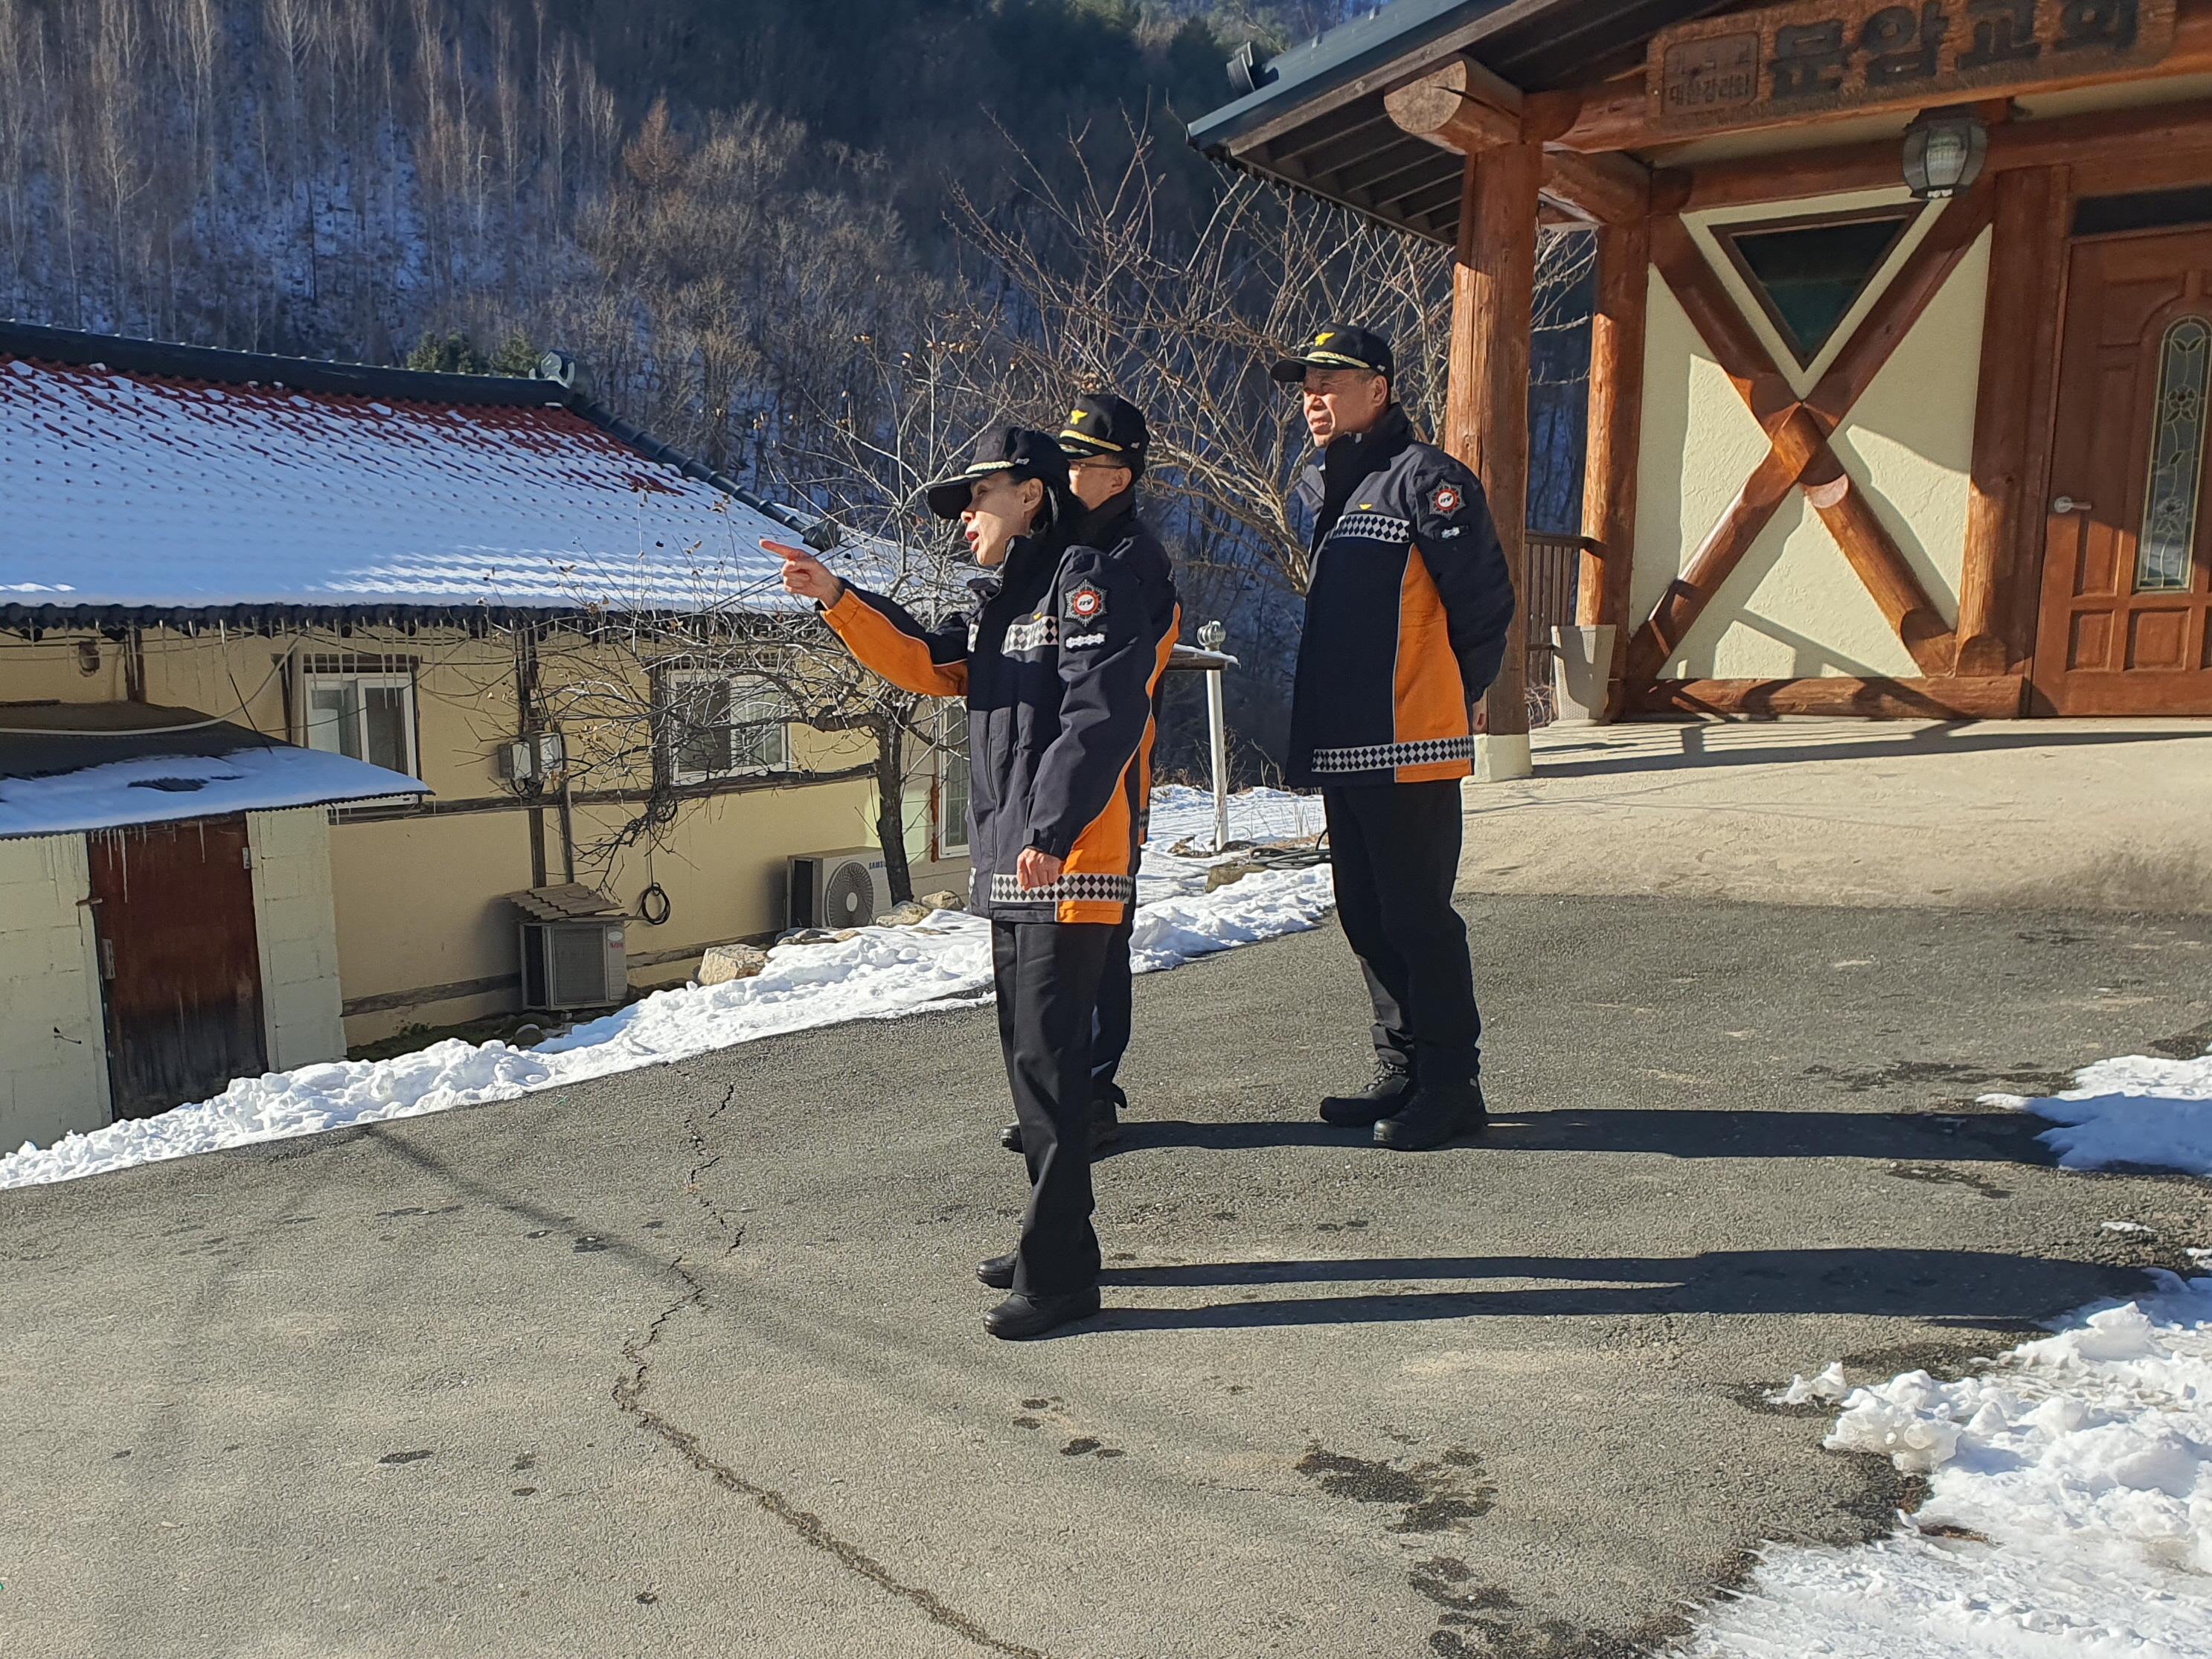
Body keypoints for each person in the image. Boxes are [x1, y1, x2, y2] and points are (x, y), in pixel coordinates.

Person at [769, 424, 1179, 1340]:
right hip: (1020, 866)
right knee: (1033, 1072)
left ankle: (1061, 1274)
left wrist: (1052, 829)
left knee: (1053, 1073)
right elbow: (923, 659)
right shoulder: (1003, 603)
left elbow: (1104, 713)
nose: (963, 520)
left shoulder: (1085, 580)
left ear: (1030, 495)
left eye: (977, 499)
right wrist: (836, 597)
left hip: (1068, 865)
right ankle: (1052, 1241)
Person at [1272, 323, 1515, 1152]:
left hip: (1411, 742)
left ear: (1378, 390)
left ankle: (1451, 1084)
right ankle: (1402, 1067)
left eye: (1329, 383)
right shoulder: (1330, 488)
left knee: (1417, 918)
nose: (1312, 398)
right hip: (1347, 745)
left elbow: (1482, 603)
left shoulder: (1428, 480)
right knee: (1365, 915)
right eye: (1306, 386)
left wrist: (1449, 694)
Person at [997, 392, 1179, 1159]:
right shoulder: (1052, 553)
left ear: (1120, 477)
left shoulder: (1134, 563)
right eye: (1063, 459)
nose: (1066, 473)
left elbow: (1115, 695)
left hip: (1109, 785)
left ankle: (1093, 1093)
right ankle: (1057, 1098)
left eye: (1081, 462)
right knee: (1050, 949)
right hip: (1040, 787)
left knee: (1098, 940)